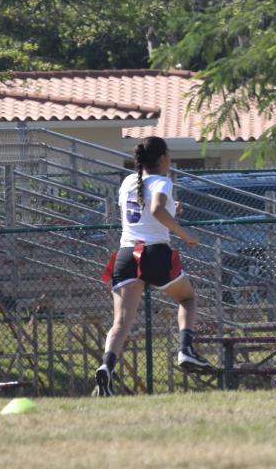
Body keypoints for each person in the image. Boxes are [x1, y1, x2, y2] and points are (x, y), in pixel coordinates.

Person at [95, 136, 213, 396]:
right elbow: (157, 210)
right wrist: (186, 235)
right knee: (187, 299)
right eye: (168, 156)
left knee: (122, 321)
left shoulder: (127, 182)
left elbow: (146, 208)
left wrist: (172, 207)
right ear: (162, 158)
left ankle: (106, 366)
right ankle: (186, 349)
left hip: (126, 254)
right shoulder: (163, 181)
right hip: (153, 252)